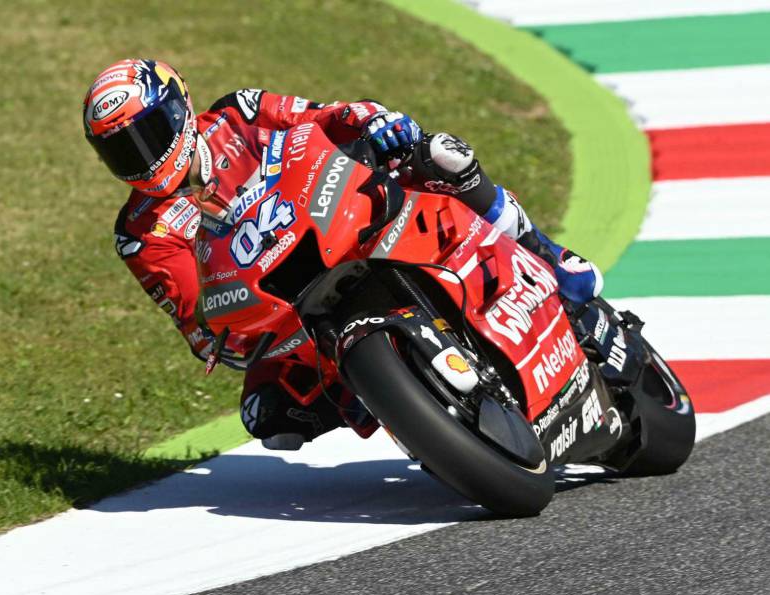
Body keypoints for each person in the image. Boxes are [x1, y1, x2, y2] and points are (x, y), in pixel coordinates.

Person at [83, 59, 603, 450]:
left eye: (148, 135)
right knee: (269, 417)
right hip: (288, 307)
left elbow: (324, 117)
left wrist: (373, 123)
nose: (144, 157)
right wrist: (232, 335)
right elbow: (203, 327)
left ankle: (547, 255)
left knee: (441, 154)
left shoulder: (237, 114)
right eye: (122, 150)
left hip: (348, 219)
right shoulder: (140, 234)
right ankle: (404, 403)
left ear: (179, 108)